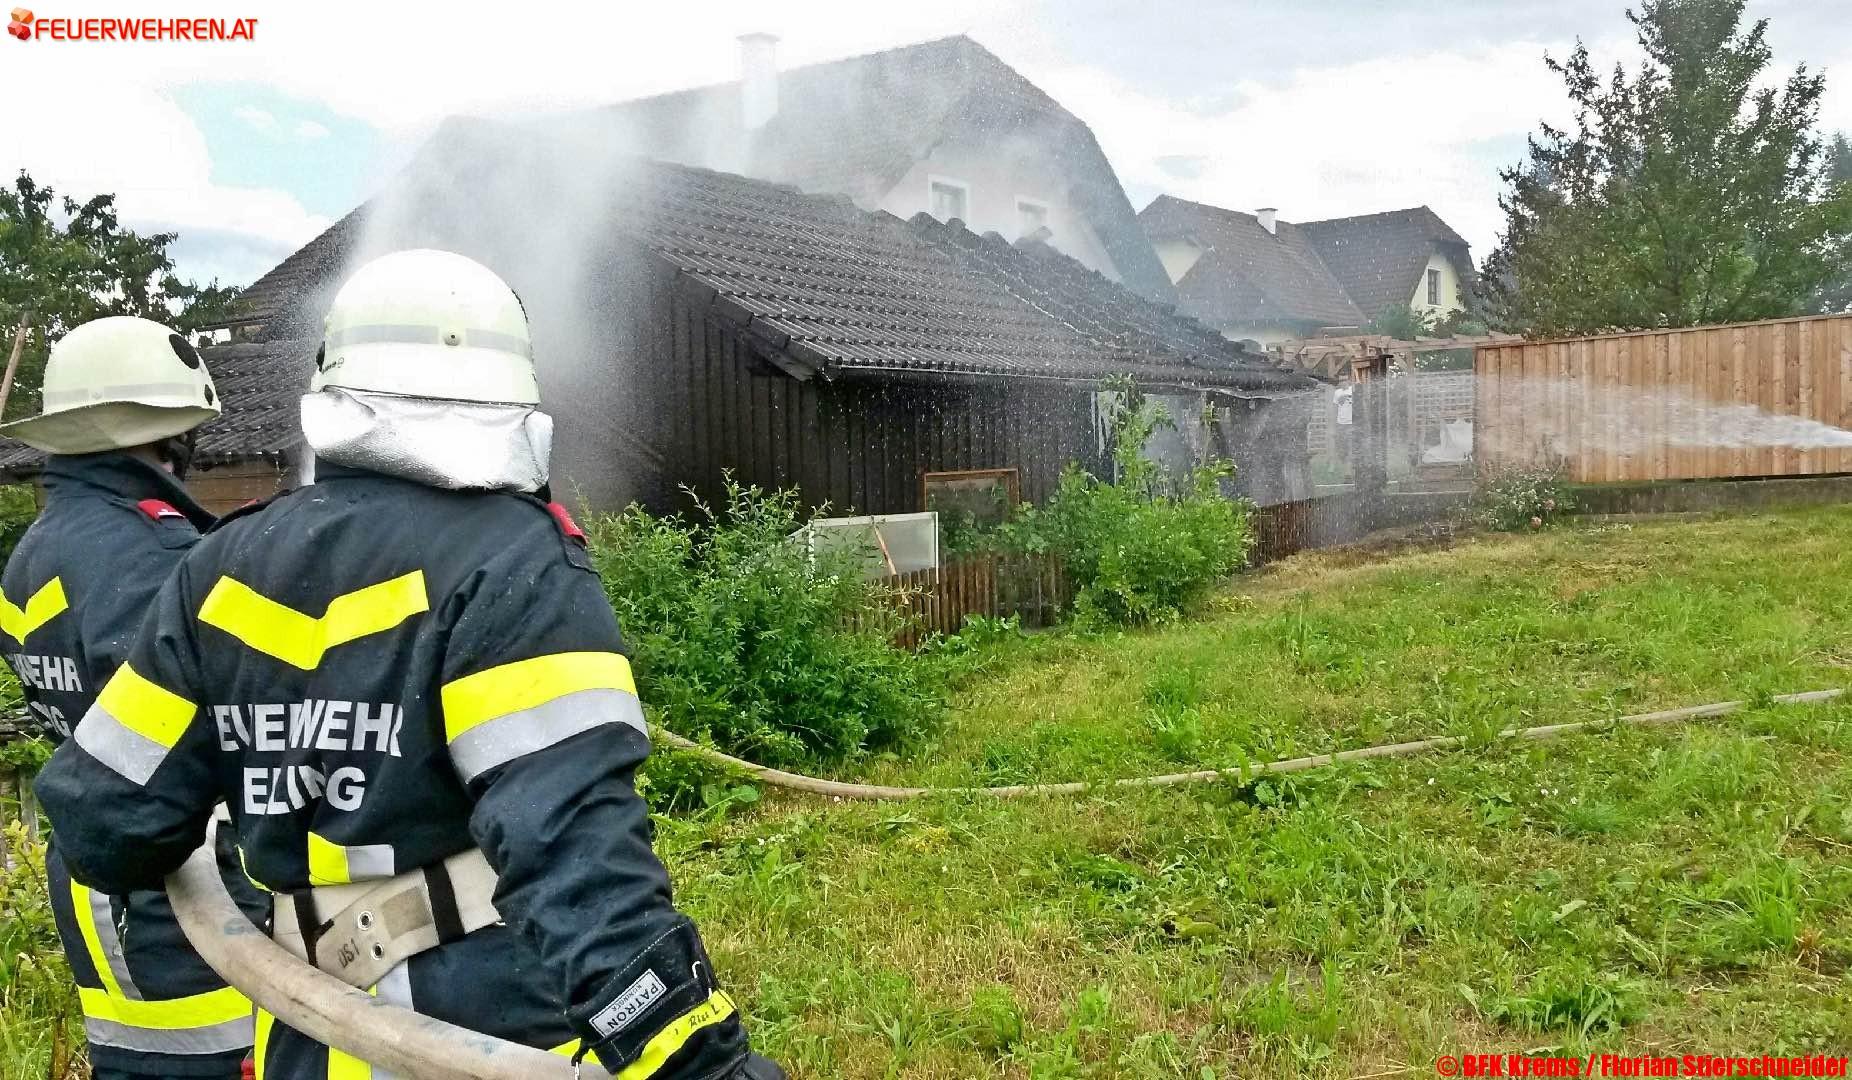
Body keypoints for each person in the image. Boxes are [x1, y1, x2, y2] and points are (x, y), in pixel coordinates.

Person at [35, 250, 785, 1080]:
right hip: (486, 1035)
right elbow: (579, 861)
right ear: (515, 396)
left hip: (307, 1037)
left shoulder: (223, 563)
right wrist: (704, 1064)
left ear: (333, 390)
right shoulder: (518, 567)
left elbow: (102, 821)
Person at [0, 316, 261, 1079]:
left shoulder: (41, 546)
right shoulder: (151, 552)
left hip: (97, 872)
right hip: (186, 882)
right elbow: (209, 724)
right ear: (167, 435)